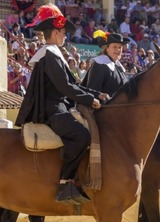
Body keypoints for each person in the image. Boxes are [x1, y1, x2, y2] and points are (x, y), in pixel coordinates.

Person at [15, 4, 109, 204]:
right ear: (56, 32)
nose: (66, 35)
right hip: (53, 110)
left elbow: (73, 84)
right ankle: (65, 182)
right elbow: (65, 87)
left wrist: (97, 94)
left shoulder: (54, 54)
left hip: (61, 106)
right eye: (64, 32)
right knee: (81, 135)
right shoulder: (49, 54)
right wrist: (89, 100)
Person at [82, 30, 130, 98]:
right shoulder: (100, 64)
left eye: (120, 47)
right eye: (115, 47)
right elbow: (93, 92)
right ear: (107, 48)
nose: (118, 50)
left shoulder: (119, 67)